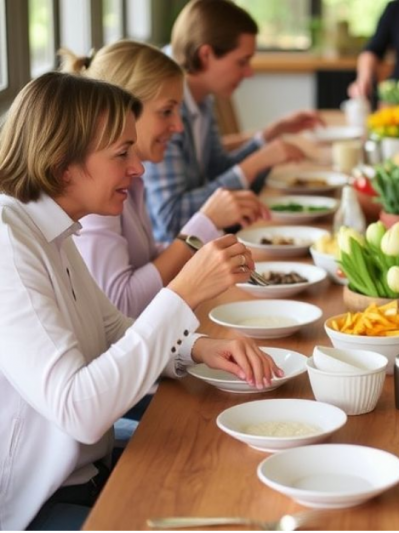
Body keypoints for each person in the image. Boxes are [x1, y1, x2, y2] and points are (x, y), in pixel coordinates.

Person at [0, 72, 282, 530]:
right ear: (61, 165)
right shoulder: (9, 243)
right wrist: (183, 292)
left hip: (87, 471)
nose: (138, 168)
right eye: (121, 154)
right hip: (39, 506)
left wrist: (198, 348)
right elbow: (80, 412)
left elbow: (111, 329)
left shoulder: (52, 226)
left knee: (233, 472)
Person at [61, 41, 269, 318]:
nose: (179, 126)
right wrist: (201, 227)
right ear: (127, 108)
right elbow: (121, 305)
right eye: (166, 111)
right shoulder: (97, 191)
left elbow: (143, 258)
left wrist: (206, 250)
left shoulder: (132, 178)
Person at [144, 0, 324, 242]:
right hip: (176, 257)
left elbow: (217, 167)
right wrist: (258, 161)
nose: (249, 73)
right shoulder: (163, 105)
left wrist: (267, 138)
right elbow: (171, 219)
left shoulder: (202, 96)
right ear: (206, 55)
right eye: (242, 61)